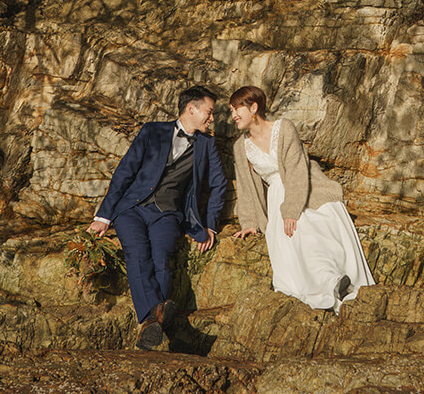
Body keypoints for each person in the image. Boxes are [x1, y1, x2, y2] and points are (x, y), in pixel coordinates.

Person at [87, 85, 227, 350]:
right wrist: (104, 217)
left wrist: (210, 225)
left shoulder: (207, 144)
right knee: (137, 253)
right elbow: (124, 173)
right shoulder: (153, 131)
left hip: (168, 212)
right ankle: (157, 316)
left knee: (162, 258)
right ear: (191, 109)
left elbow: (219, 184)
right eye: (209, 113)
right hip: (132, 209)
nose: (212, 119)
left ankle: (150, 324)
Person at [229, 85, 374, 312]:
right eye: (231, 111)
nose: (233, 116)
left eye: (237, 109)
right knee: (294, 237)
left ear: (254, 108)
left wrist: (291, 210)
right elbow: (247, 186)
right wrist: (249, 223)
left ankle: (335, 281)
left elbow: (297, 169)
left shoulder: (283, 128)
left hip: (306, 188)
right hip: (277, 195)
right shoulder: (240, 146)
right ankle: (332, 284)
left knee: (313, 226)